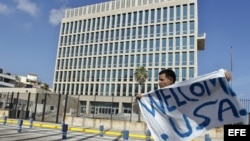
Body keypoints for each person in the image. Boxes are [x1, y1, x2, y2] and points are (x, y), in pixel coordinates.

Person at [136, 68, 232, 99]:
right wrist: (142, 97)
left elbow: (206, 91)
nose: (158, 82)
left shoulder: (184, 92)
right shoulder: (157, 96)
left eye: (161, 80)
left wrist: (223, 78)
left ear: (170, 80)